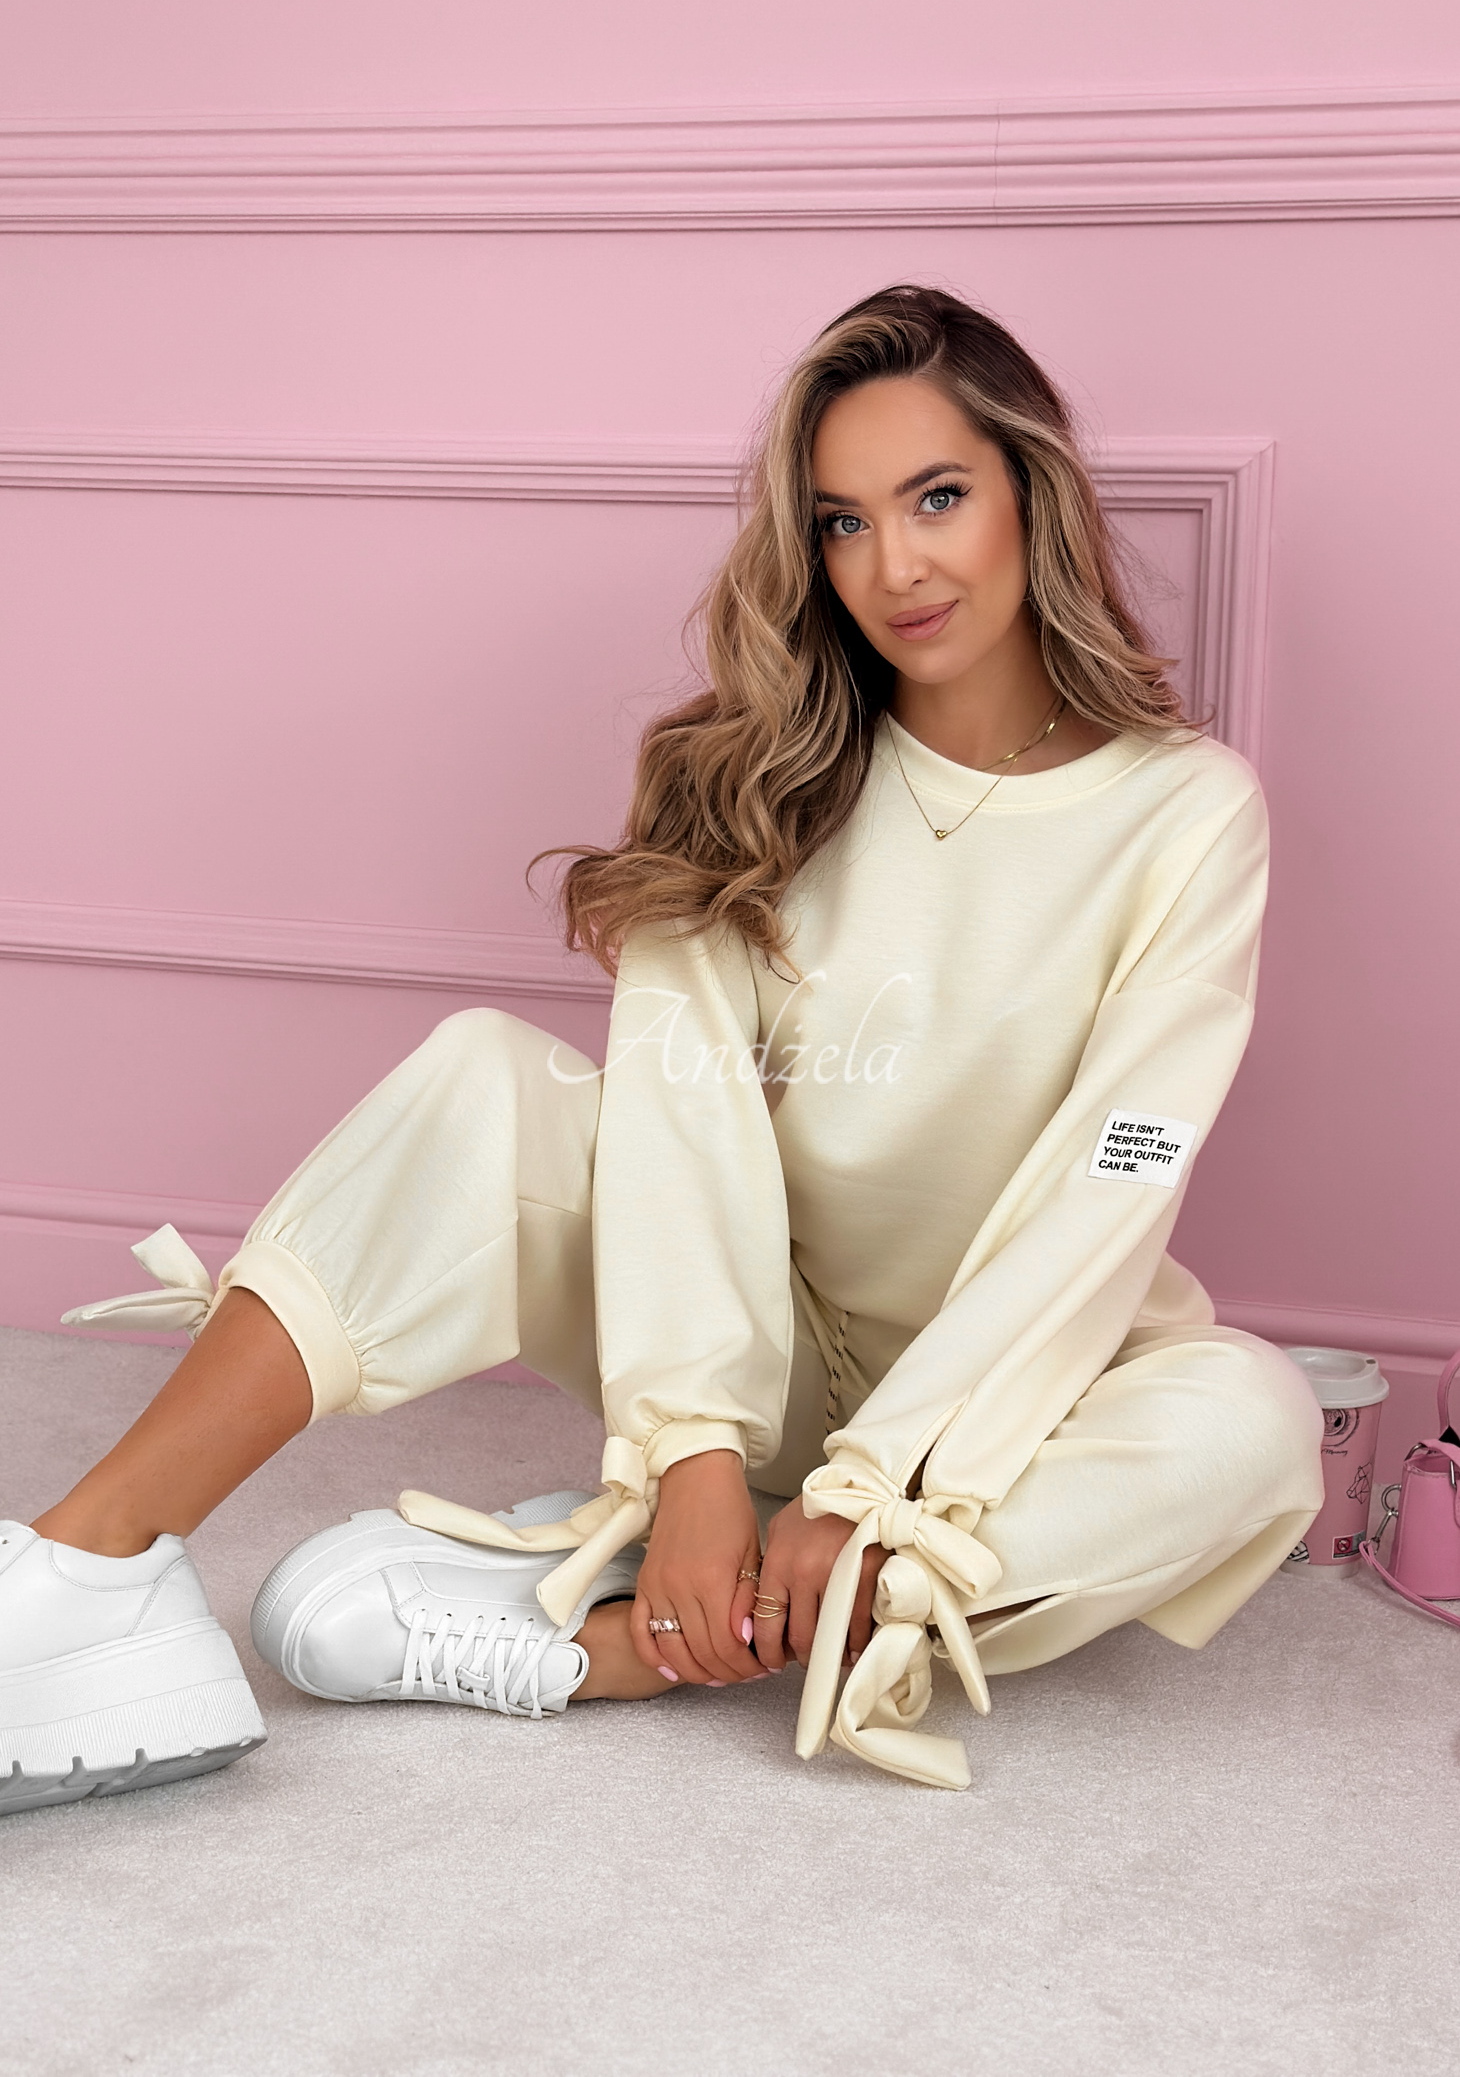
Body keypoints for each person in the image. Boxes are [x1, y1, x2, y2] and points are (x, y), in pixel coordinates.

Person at [0, 285, 1323, 1813]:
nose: (895, 566)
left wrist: (876, 1482)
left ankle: (627, 1639)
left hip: (1028, 1396)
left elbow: (1113, 1182)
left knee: (1253, 1417)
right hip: (769, 1345)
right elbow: (680, 1127)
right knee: (488, 1076)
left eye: (938, 499)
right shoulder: (755, 774)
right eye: (842, 523)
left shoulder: (1188, 813)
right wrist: (697, 1451)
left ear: (1035, 490)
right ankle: (88, 1577)